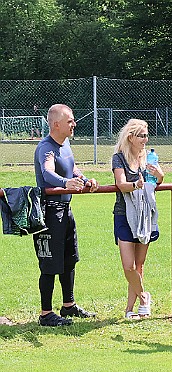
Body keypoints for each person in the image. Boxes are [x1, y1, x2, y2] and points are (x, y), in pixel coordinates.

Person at [33, 104, 99, 326]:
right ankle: (45, 314)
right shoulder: (46, 147)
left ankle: (68, 305)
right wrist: (66, 183)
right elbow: (48, 172)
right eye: (70, 120)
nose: (74, 124)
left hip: (66, 211)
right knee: (50, 263)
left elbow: (72, 168)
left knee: (70, 259)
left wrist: (85, 179)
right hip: (50, 212)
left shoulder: (66, 144)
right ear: (56, 124)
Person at [112, 119, 164, 319]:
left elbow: (157, 182)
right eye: (141, 135)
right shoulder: (119, 158)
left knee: (139, 265)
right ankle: (144, 297)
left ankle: (129, 309)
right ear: (130, 137)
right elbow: (121, 184)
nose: (145, 139)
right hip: (124, 214)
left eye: (146, 135)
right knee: (128, 266)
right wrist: (136, 185)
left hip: (144, 215)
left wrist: (160, 175)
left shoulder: (148, 158)